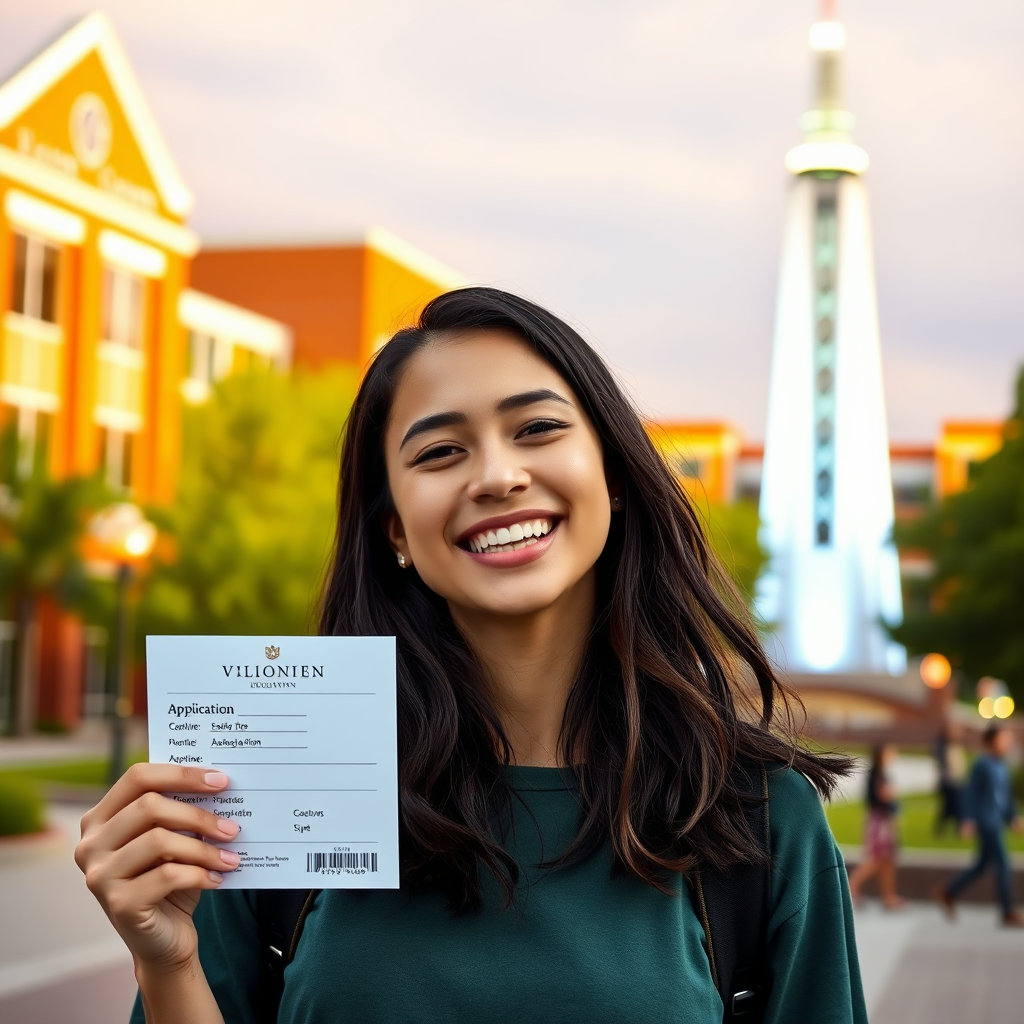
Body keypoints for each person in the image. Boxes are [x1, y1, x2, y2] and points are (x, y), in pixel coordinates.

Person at [75, 288, 867, 1023]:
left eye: (537, 429)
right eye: (440, 452)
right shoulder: (273, 793)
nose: (497, 476)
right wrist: (169, 963)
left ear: (614, 474)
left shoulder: (758, 820)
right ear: (394, 530)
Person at [936, 723, 1024, 927]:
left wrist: (1013, 817)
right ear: (993, 740)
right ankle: (1007, 911)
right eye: (1004, 738)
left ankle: (949, 891)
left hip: (997, 821)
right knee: (1002, 864)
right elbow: (971, 793)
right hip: (987, 822)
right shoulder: (981, 764)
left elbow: (1005, 797)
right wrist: (968, 819)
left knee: (982, 865)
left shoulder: (1001, 766)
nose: (1008, 742)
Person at [847, 743, 905, 909]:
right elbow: (883, 795)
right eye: (889, 751)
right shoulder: (877, 774)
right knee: (877, 858)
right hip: (880, 822)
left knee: (887, 860)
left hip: (882, 820)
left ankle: (889, 897)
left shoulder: (880, 773)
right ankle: (852, 885)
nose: (893, 753)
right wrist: (891, 793)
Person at [933, 720, 966, 835]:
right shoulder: (942, 746)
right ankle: (959, 829)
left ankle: (956, 828)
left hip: (956, 780)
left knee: (952, 806)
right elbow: (943, 765)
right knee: (953, 806)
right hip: (948, 781)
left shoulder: (954, 745)